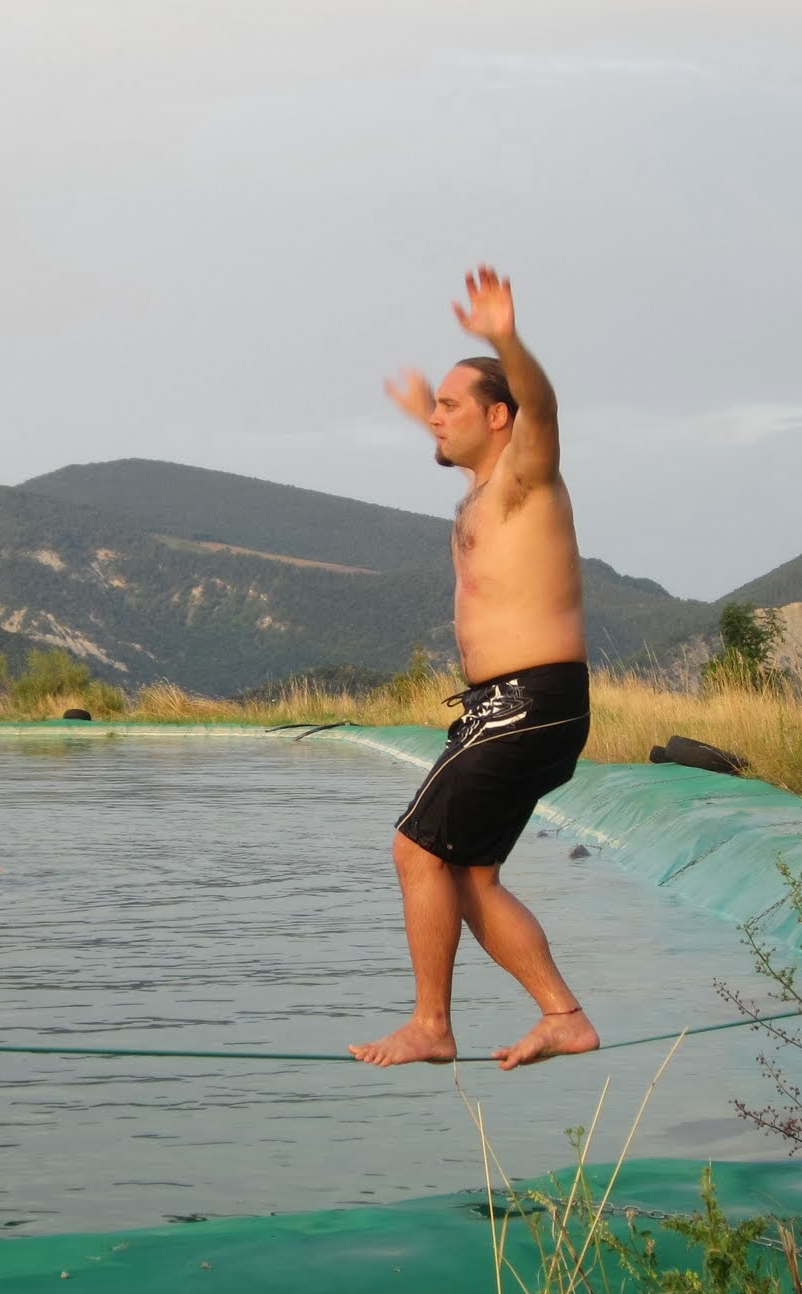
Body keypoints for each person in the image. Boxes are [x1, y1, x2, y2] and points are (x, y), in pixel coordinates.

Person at [350, 267, 597, 1070]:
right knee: (469, 877)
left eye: (450, 405)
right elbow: (463, 434)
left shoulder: (527, 474)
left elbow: (541, 406)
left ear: (499, 416)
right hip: (512, 704)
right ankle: (563, 1016)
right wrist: (427, 406)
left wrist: (504, 339)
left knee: (415, 850)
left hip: (528, 700)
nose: (434, 416)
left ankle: (431, 1024)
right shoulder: (484, 487)